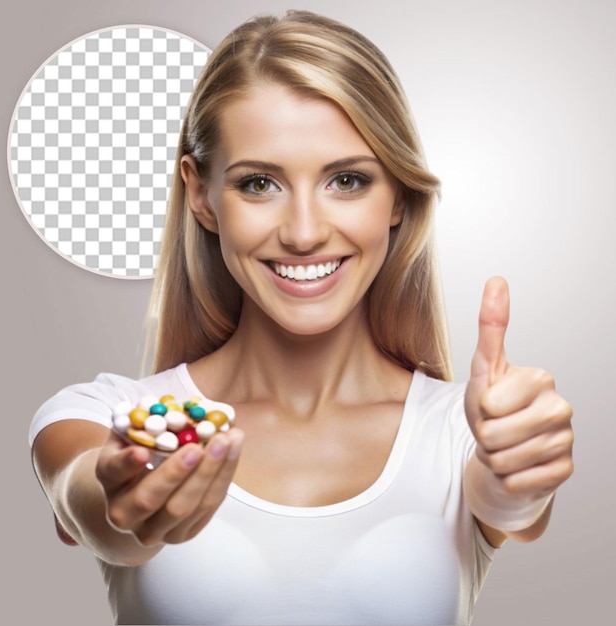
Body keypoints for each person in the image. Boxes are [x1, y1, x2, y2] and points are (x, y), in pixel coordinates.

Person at [29, 10, 574, 625]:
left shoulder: (462, 433)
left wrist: (520, 478)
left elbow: (511, 506)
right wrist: (120, 501)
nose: (305, 233)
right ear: (202, 197)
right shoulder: (106, 416)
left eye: (347, 180)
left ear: (397, 194)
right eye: (260, 183)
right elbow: (92, 506)